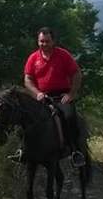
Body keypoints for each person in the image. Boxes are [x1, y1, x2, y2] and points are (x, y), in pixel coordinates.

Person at [22, 27, 85, 166]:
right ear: (38, 41)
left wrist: (71, 94)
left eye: (47, 41)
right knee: (23, 118)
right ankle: (24, 150)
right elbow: (27, 80)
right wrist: (37, 93)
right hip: (41, 97)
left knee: (69, 116)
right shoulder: (33, 58)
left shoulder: (63, 55)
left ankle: (75, 151)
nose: (44, 44)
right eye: (41, 41)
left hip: (61, 95)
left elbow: (77, 74)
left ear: (53, 41)